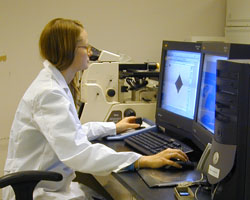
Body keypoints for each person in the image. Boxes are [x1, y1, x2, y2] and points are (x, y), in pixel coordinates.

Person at [3, 18, 188, 200]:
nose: (90, 52)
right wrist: (140, 160)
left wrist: (114, 128)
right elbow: (78, 152)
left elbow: (71, 132)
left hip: (49, 184)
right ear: (69, 51)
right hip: (38, 191)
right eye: (85, 46)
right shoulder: (49, 93)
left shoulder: (53, 83)